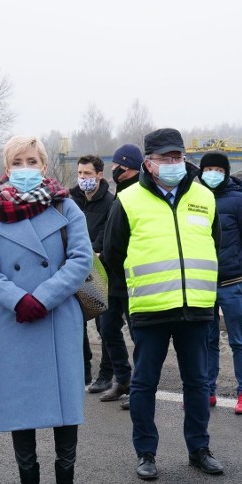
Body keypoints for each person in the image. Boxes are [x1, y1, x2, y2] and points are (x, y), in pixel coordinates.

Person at [0, 135, 93, 484]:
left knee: (64, 405)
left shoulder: (66, 206)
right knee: (22, 407)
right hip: (15, 319)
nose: (26, 169)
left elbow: (81, 259)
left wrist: (42, 297)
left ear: (44, 165)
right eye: (18, 162)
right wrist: (16, 298)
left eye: (32, 161)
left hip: (56, 317)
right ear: (8, 169)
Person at [103, 128, 224, 480]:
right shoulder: (127, 201)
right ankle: (146, 453)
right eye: (165, 159)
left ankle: (199, 449)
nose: (174, 164)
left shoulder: (204, 196)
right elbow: (113, 254)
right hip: (151, 309)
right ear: (149, 163)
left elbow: (213, 246)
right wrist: (137, 293)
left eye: (178, 157)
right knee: (144, 383)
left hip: (196, 308)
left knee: (198, 383)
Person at [198, 151, 242, 414]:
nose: (212, 174)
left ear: (226, 172)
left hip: (231, 283)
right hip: (203, 283)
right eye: (208, 169)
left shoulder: (240, 202)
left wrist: (237, 264)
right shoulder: (196, 199)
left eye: (218, 169)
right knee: (207, 339)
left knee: (238, 340)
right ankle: (208, 390)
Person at [71, 154, 132, 401]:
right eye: (80, 174)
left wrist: (91, 253)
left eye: (88, 174)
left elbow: (106, 236)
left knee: (103, 325)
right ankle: (85, 371)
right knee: (78, 324)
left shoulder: (110, 202)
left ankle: (108, 375)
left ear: (99, 175)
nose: (83, 178)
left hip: (100, 271)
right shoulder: (71, 201)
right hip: (73, 269)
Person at [107, 143, 145, 411]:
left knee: (138, 336)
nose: (112, 170)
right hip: (110, 280)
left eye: (116, 166)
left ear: (128, 167)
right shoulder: (118, 194)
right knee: (108, 330)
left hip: (132, 280)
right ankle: (123, 379)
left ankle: (141, 388)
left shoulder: (139, 194)